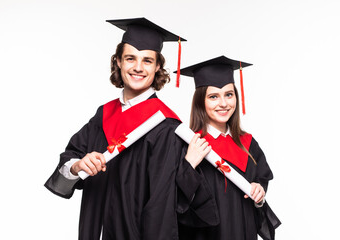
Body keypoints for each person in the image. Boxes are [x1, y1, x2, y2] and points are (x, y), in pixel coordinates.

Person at [44, 17, 215, 240]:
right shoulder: (103, 115)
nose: (137, 67)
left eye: (147, 61)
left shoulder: (166, 127)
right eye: (130, 58)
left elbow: (163, 206)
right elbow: (70, 158)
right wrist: (77, 165)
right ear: (118, 62)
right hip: (94, 229)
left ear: (157, 67)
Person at [176, 56, 281, 240]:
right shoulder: (190, 145)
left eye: (229, 94)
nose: (223, 104)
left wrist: (258, 192)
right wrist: (188, 165)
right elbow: (174, 203)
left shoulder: (248, 143)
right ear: (201, 101)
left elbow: (261, 181)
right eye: (213, 96)